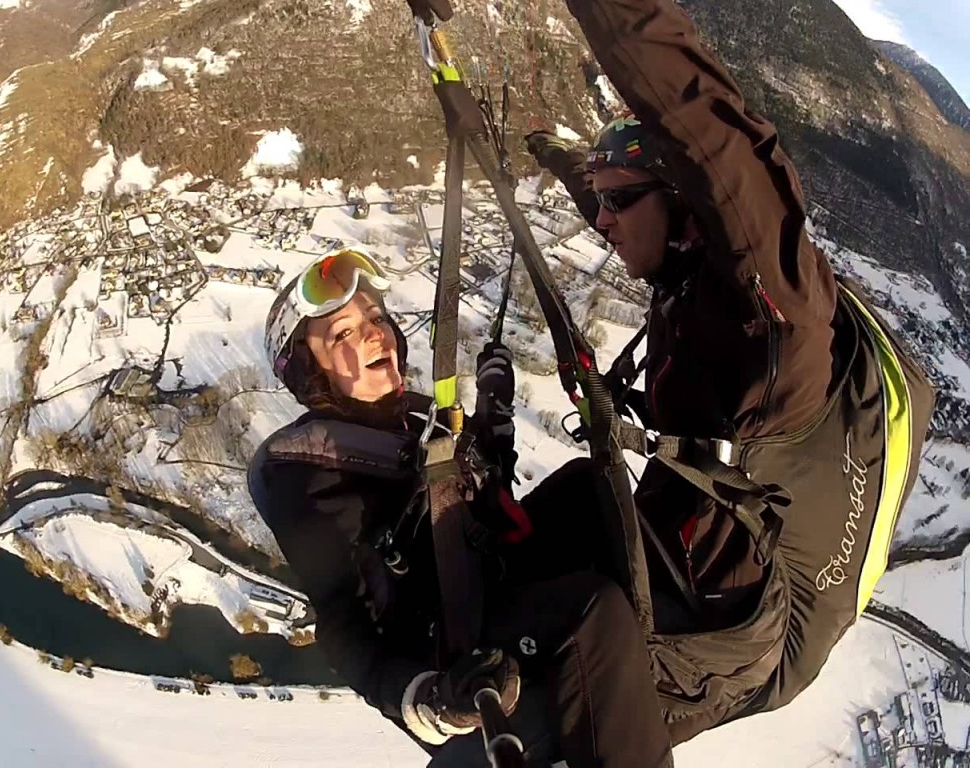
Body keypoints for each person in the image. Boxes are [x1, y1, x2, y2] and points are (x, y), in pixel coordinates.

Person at [519, 0, 842, 747]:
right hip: (676, 553)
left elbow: (707, 134)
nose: (601, 222)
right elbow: (635, 195)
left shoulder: (774, 311)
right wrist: (560, 159)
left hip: (725, 628)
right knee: (568, 502)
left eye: (617, 203)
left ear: (687, 206)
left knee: (540, 717)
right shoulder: (687, 275)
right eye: (600, 202)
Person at [249, 245, 673, 767]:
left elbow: (469, 489)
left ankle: (659, 635)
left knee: (589, 486)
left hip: (482, 575)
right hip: (446, 645)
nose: (376, 333)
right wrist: (426, 698)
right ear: (312, 375)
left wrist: (493, 413)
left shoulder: (406, 417)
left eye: (376, 317)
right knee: (591, 608)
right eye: (342, 334)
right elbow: (343, 625)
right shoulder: (310, 474)